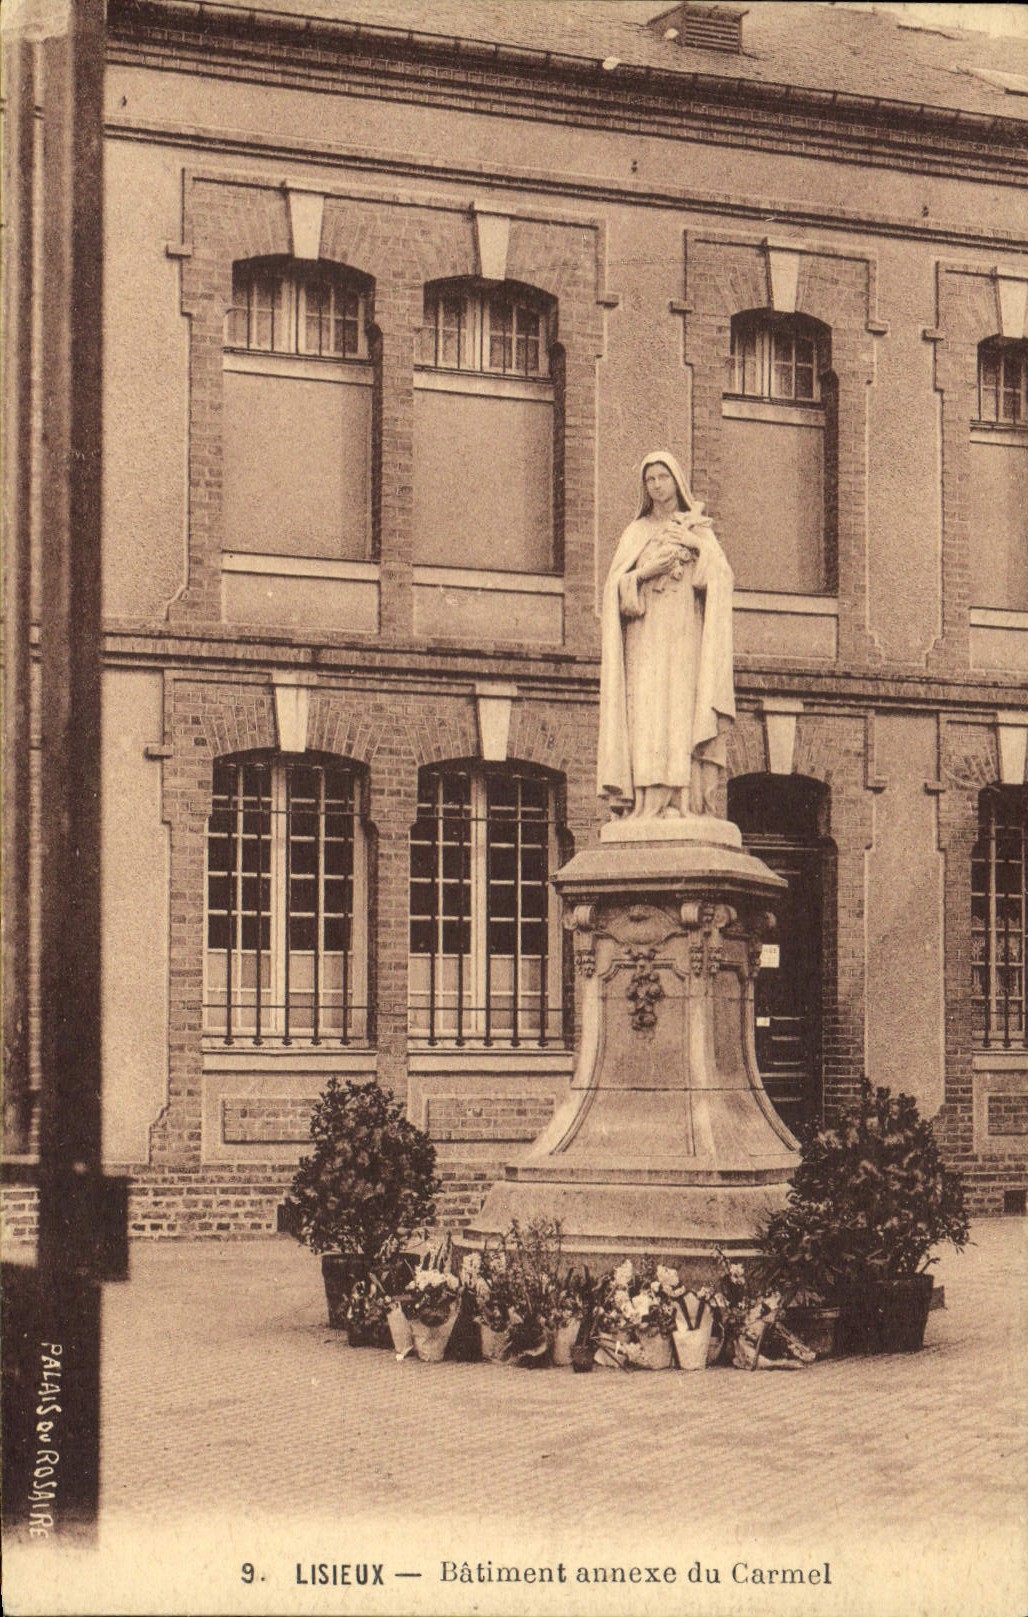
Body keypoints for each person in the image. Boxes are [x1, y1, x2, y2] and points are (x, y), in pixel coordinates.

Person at [597, 451, 735, 819]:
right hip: (645, 640)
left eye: (662, 477)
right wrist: (645, 572)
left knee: (681, 709)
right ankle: (648, 802)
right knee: (648, 712)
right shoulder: (636, 531)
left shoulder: (697, 528)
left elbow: (721, 578)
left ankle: (683, 799)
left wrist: (693, 545)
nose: (656, 485)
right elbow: (614, 591)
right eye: (650, 480)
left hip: (684, 635)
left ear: (677, 481)